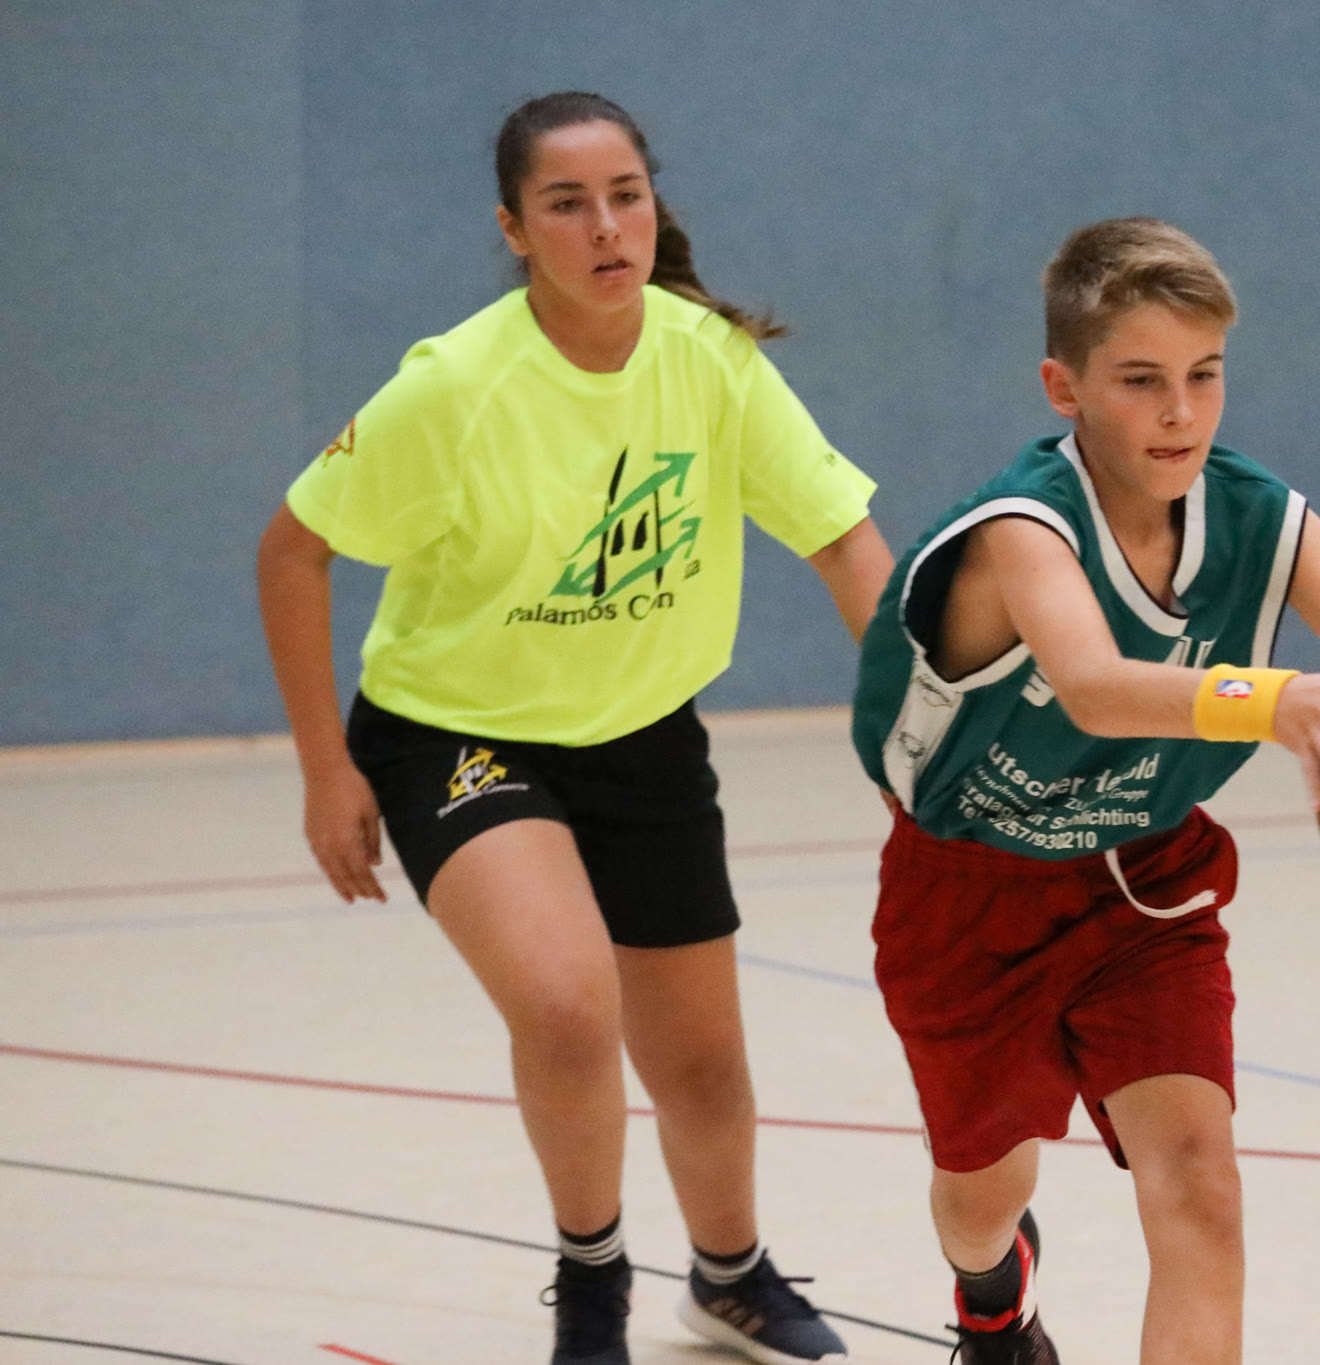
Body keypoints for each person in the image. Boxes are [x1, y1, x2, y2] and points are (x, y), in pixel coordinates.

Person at [851, 217, 1320, 1364]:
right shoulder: (1023, 529)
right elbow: (1094, 687)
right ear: (1063, 388)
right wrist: (1273, 701)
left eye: (1203, 376)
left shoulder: (1263, 519)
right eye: (1140, 381)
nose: (1179, 412)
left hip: (1144, 879)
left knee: (1199, 1188)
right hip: (970, 890)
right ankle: (991, 1295)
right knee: (979, 1197)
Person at [256, 91, 894, 1365]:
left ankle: (729, 1277)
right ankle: (591, 1288)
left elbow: (842, 542)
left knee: (701, 1067)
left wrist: (912, 731)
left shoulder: (710, 361)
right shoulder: (455, 388)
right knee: (563, 1007)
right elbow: (291, 550)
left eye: (624, 196)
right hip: (455, 733)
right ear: (513, 229)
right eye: (565, 205)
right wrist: (326, 769)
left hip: (642, 734)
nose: (605, 227)